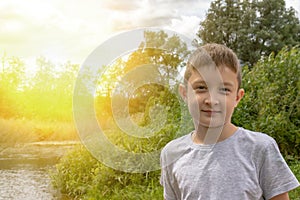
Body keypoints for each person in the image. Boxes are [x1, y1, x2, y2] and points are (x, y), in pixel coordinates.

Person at [160, 43, 299, 200]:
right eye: (201, 87)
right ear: (184, 93)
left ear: (237, 97)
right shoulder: (171, 154)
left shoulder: (261, 148)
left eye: (224, 90)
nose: (212, 100)